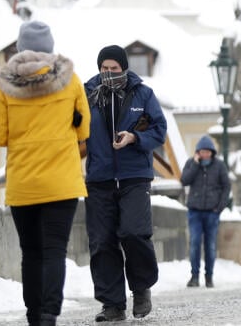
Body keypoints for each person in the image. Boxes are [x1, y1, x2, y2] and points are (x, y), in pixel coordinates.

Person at [0, 21, 90, 326]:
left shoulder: (6, 86)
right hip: (61, 183)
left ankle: (34, 316)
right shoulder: (70, 81)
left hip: (23, 184)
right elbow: (84, 129)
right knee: (54, 251)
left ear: (20, 48)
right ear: (50, 47)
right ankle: (49, 314)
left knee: (30, 253)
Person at [84, 45, 167, 322]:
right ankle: (112, 304)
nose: (109, 74)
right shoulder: (86, 95)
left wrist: (134, 138)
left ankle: (141, 288)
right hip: (99, 178)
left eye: (114, 69)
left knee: (134, 232)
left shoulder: (143, 94)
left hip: (134, 176)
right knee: (102, 242)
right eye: (104, 69)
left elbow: (159, 130)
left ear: (124, 68)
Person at [180, 135, 231, 288]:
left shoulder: (220, 166)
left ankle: (209, 277)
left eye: (208, 152)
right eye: (202, 152)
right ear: (198, 152)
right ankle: (194, 276)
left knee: (210, 246)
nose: (205, 155)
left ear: (212, 152)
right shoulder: (191, 163)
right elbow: (184, 180)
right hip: (194, 211)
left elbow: (226, 187)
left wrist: (219, 207)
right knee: (195, 243)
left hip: (212, 213)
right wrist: (195, 165)